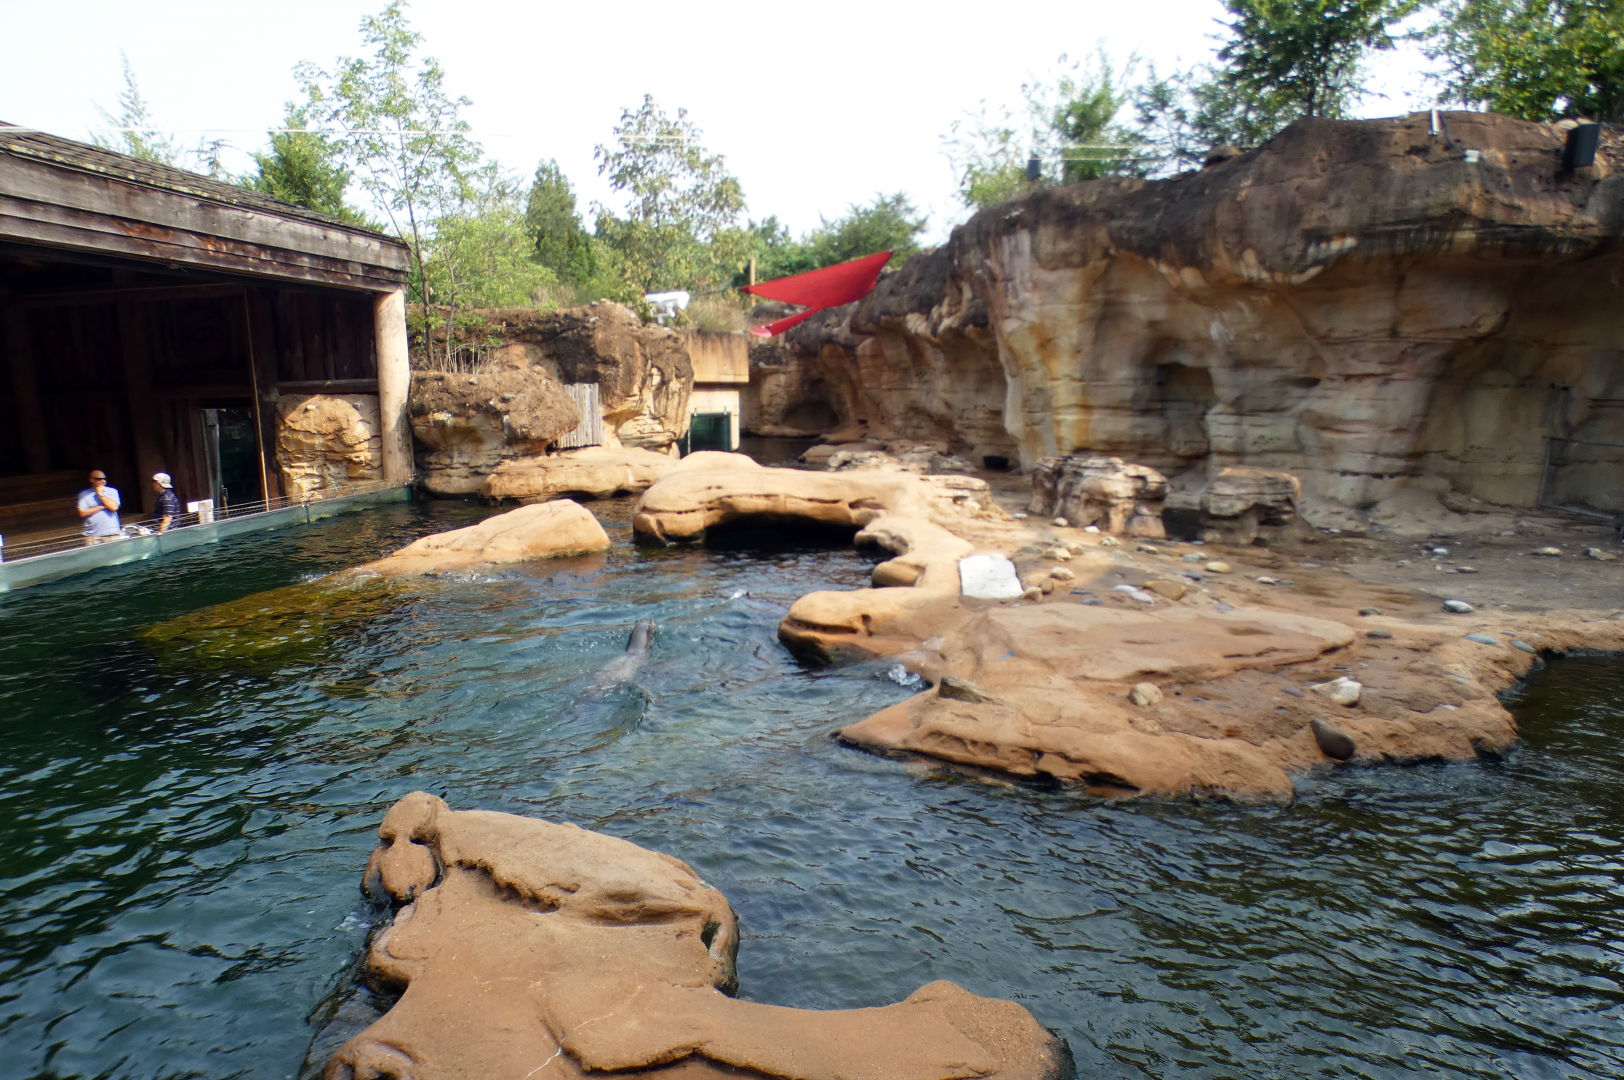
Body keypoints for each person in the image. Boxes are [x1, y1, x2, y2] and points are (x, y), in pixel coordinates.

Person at [77, 470, 122, 544]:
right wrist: (101, 507)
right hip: (93, 535)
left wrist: (100, 494)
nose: (103, 481)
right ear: (92, 480)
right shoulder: (84, 494)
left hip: (112, 533)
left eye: (104, 479)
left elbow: (113, 507)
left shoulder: (112, 491)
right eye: (99, 479)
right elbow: (82, 513)